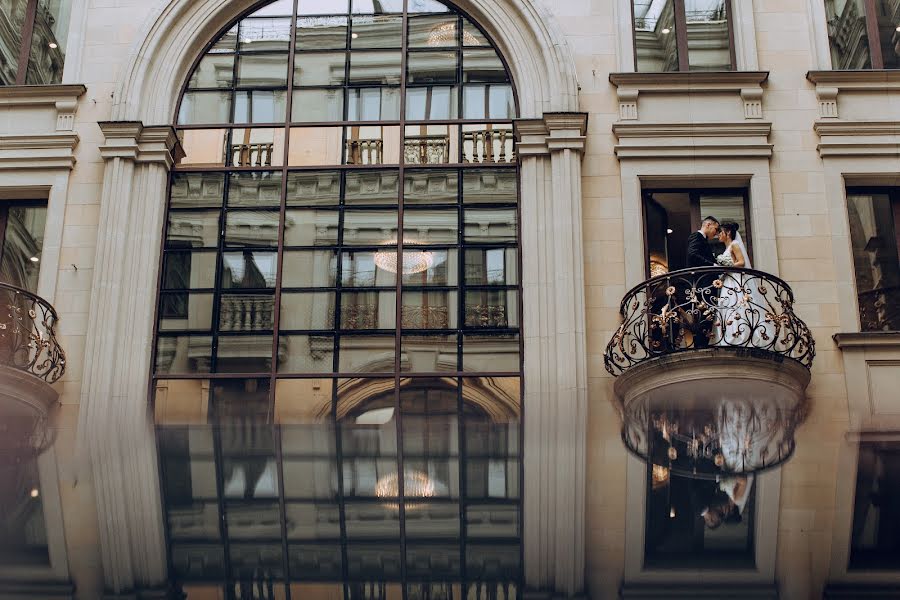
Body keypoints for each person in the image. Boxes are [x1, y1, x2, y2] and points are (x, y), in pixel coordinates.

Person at [683, 216, 721, 348]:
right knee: (705, 314)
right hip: (703, 284)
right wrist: (712, 265)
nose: (716, 233)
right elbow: (692, 254)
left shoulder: (703, 240)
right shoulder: (696, 237)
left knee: (707, 314)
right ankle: (701, 344)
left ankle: (703, 342)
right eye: (715, 229)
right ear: (708, 225)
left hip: (706, 283)